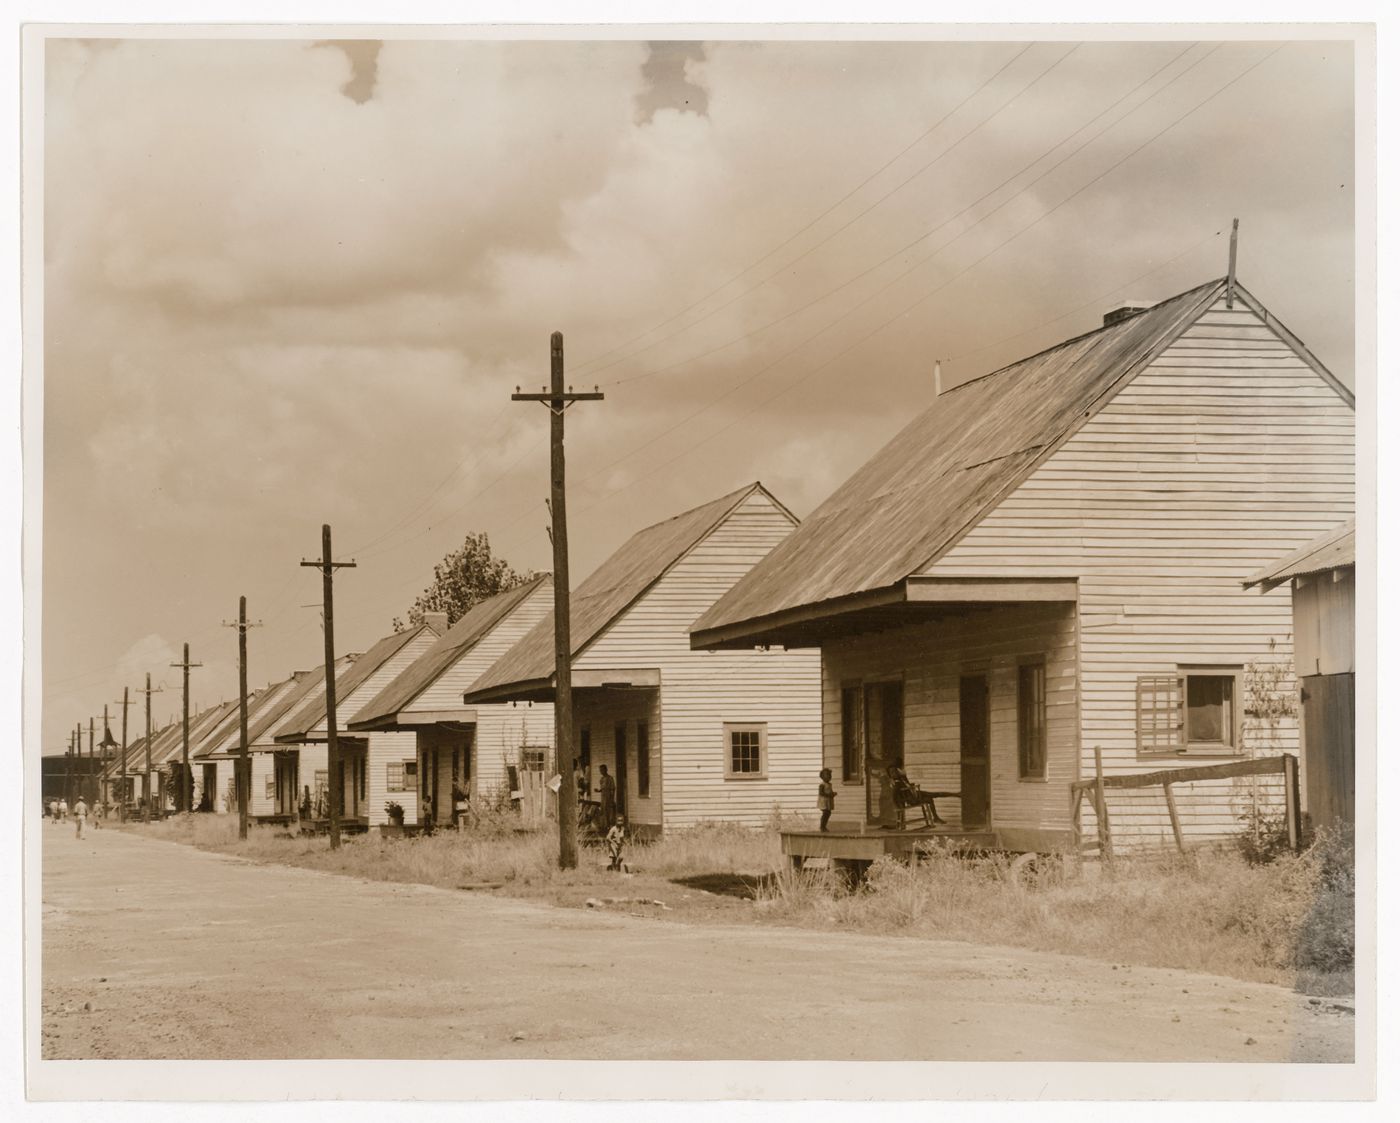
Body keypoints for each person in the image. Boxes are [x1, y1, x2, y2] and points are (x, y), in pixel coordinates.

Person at [597, 764, 616, 829]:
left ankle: (609, 825)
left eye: (602, 770)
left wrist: (612, 798)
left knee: (608, 810)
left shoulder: (610, 778)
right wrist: (598, 790)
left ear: (606, 770)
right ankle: (604, 825)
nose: (601, 771)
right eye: (600, 770)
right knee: (603, 810)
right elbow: (602, 789)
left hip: (608, 796)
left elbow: (612, 789)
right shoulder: (602, 779)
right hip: (603, 796)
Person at [817, 768, 836, 833]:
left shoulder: (830, 784)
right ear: (822, 777)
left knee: (828, 813)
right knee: (825, 813)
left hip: (828, 801)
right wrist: (829, 795)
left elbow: (830, 791)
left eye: (830, 775)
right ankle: (822, 827)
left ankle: (824, 826)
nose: (829, 777)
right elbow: (821, 793)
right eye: (827, 775)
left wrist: (833, 794)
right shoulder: (822, 785)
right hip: (824, 801)